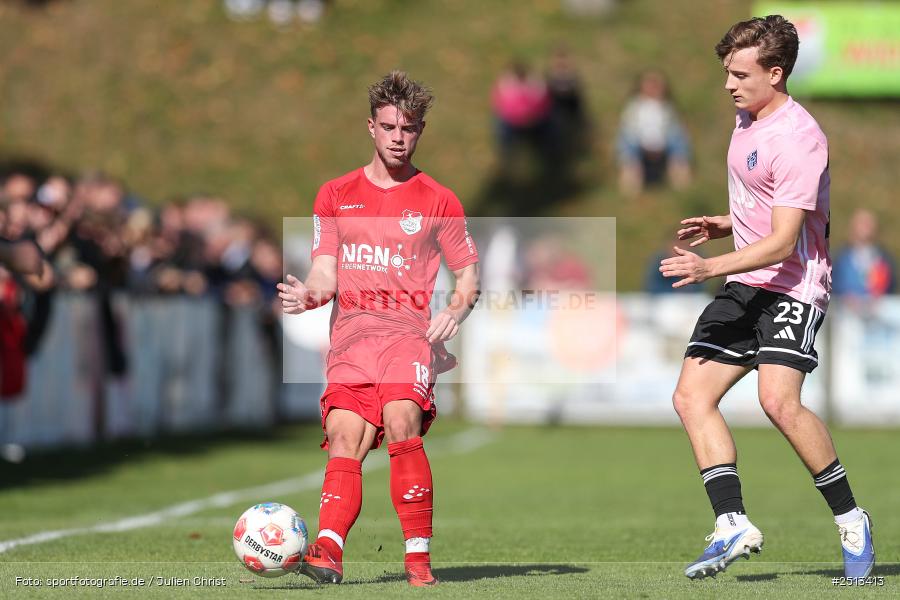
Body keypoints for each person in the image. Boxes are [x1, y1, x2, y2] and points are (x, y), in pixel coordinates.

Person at [659, 15, 874, 580]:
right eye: (727, 72)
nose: (728, 84)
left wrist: (709, 265)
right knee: (691, 396)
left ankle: (851, 519)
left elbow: (783, 242)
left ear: (775, 74)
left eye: (740, 74)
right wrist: (726, 223)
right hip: (747, 281)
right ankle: (732, 523)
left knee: (778, 401)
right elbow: (769, 210)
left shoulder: (799, 139)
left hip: (793, 285)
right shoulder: (748, 118)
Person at [278, 71, 480, 587]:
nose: (397, 137)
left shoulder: (439, 200)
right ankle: (328, 551)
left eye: (408, 129)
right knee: (344, 435)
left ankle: (417, 560)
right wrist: (309, 297)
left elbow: (469, 277)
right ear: (371, 127)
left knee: (400, 420)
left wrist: (455, 311)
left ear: (420, 131)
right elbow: (325, 272)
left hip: (407, 336)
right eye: (389, 126)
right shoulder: (335, 194)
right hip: (351, 338)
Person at [617, 70, 692, 195]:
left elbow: (673, 127)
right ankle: (630, 188)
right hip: (639, 142)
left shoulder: (667, 106)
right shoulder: (634, 106)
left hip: (665, 142)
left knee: (679, 141)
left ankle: (682, 185)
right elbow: (628, 128)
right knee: (627, 145)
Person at [832, 208, 895, 302]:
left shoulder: (885, 259)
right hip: (845, 309)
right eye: (862, 223)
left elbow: (891, 286)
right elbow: (834, 285)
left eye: (868, 224)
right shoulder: (840, 259)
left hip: (878, 308)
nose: (865, 228)